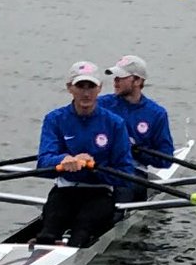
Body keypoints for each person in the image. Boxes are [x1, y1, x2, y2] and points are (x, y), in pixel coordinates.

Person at [34, 60, 134, 247]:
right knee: (47, 234)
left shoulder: (115, 124)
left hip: (99, 193)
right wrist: (64, 160)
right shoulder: (54, 119)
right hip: (64, 192)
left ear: (99, 88)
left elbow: (126, 173)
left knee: (81, 234)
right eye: (80, 86)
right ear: (69, 88)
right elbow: (43, 164)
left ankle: (75, 242)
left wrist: (94, 168)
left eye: (91, 87)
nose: (86, 93)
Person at [98, 55, 176, 202]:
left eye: (121, 77)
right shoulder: (100, 105)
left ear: (138, 81)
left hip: (133, 172)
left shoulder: (156, 114)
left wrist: (136, 151)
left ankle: (116, 213)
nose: (115, 81)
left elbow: (166, 159)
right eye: (115, 77)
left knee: (122, 187)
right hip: (101, 167)